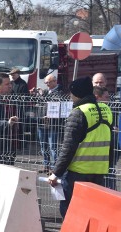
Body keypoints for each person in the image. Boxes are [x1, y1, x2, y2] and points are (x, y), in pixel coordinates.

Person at [48, 77, 113, 218]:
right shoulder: (106, 109)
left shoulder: (79, 112)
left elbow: (68, 147)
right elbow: (110, 141)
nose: (70, 97)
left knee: (70, 211)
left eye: (72, 94)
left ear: (77, 94)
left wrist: (56, 173)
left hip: (78, 171)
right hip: (99, 170)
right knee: (91, 212)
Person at [35, 74, 62, 173]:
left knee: (53, 147)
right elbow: (39, 103)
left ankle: (54, 167)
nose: (47, 84)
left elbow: (53, 103)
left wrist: (42, 96)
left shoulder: (59, 93)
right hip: (42, 122)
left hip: (53, 124)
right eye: (46, 82)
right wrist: (38, 94)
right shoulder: (46, 92)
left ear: (55, 82)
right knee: (43, 146)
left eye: (49, 82)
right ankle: (46, 165)